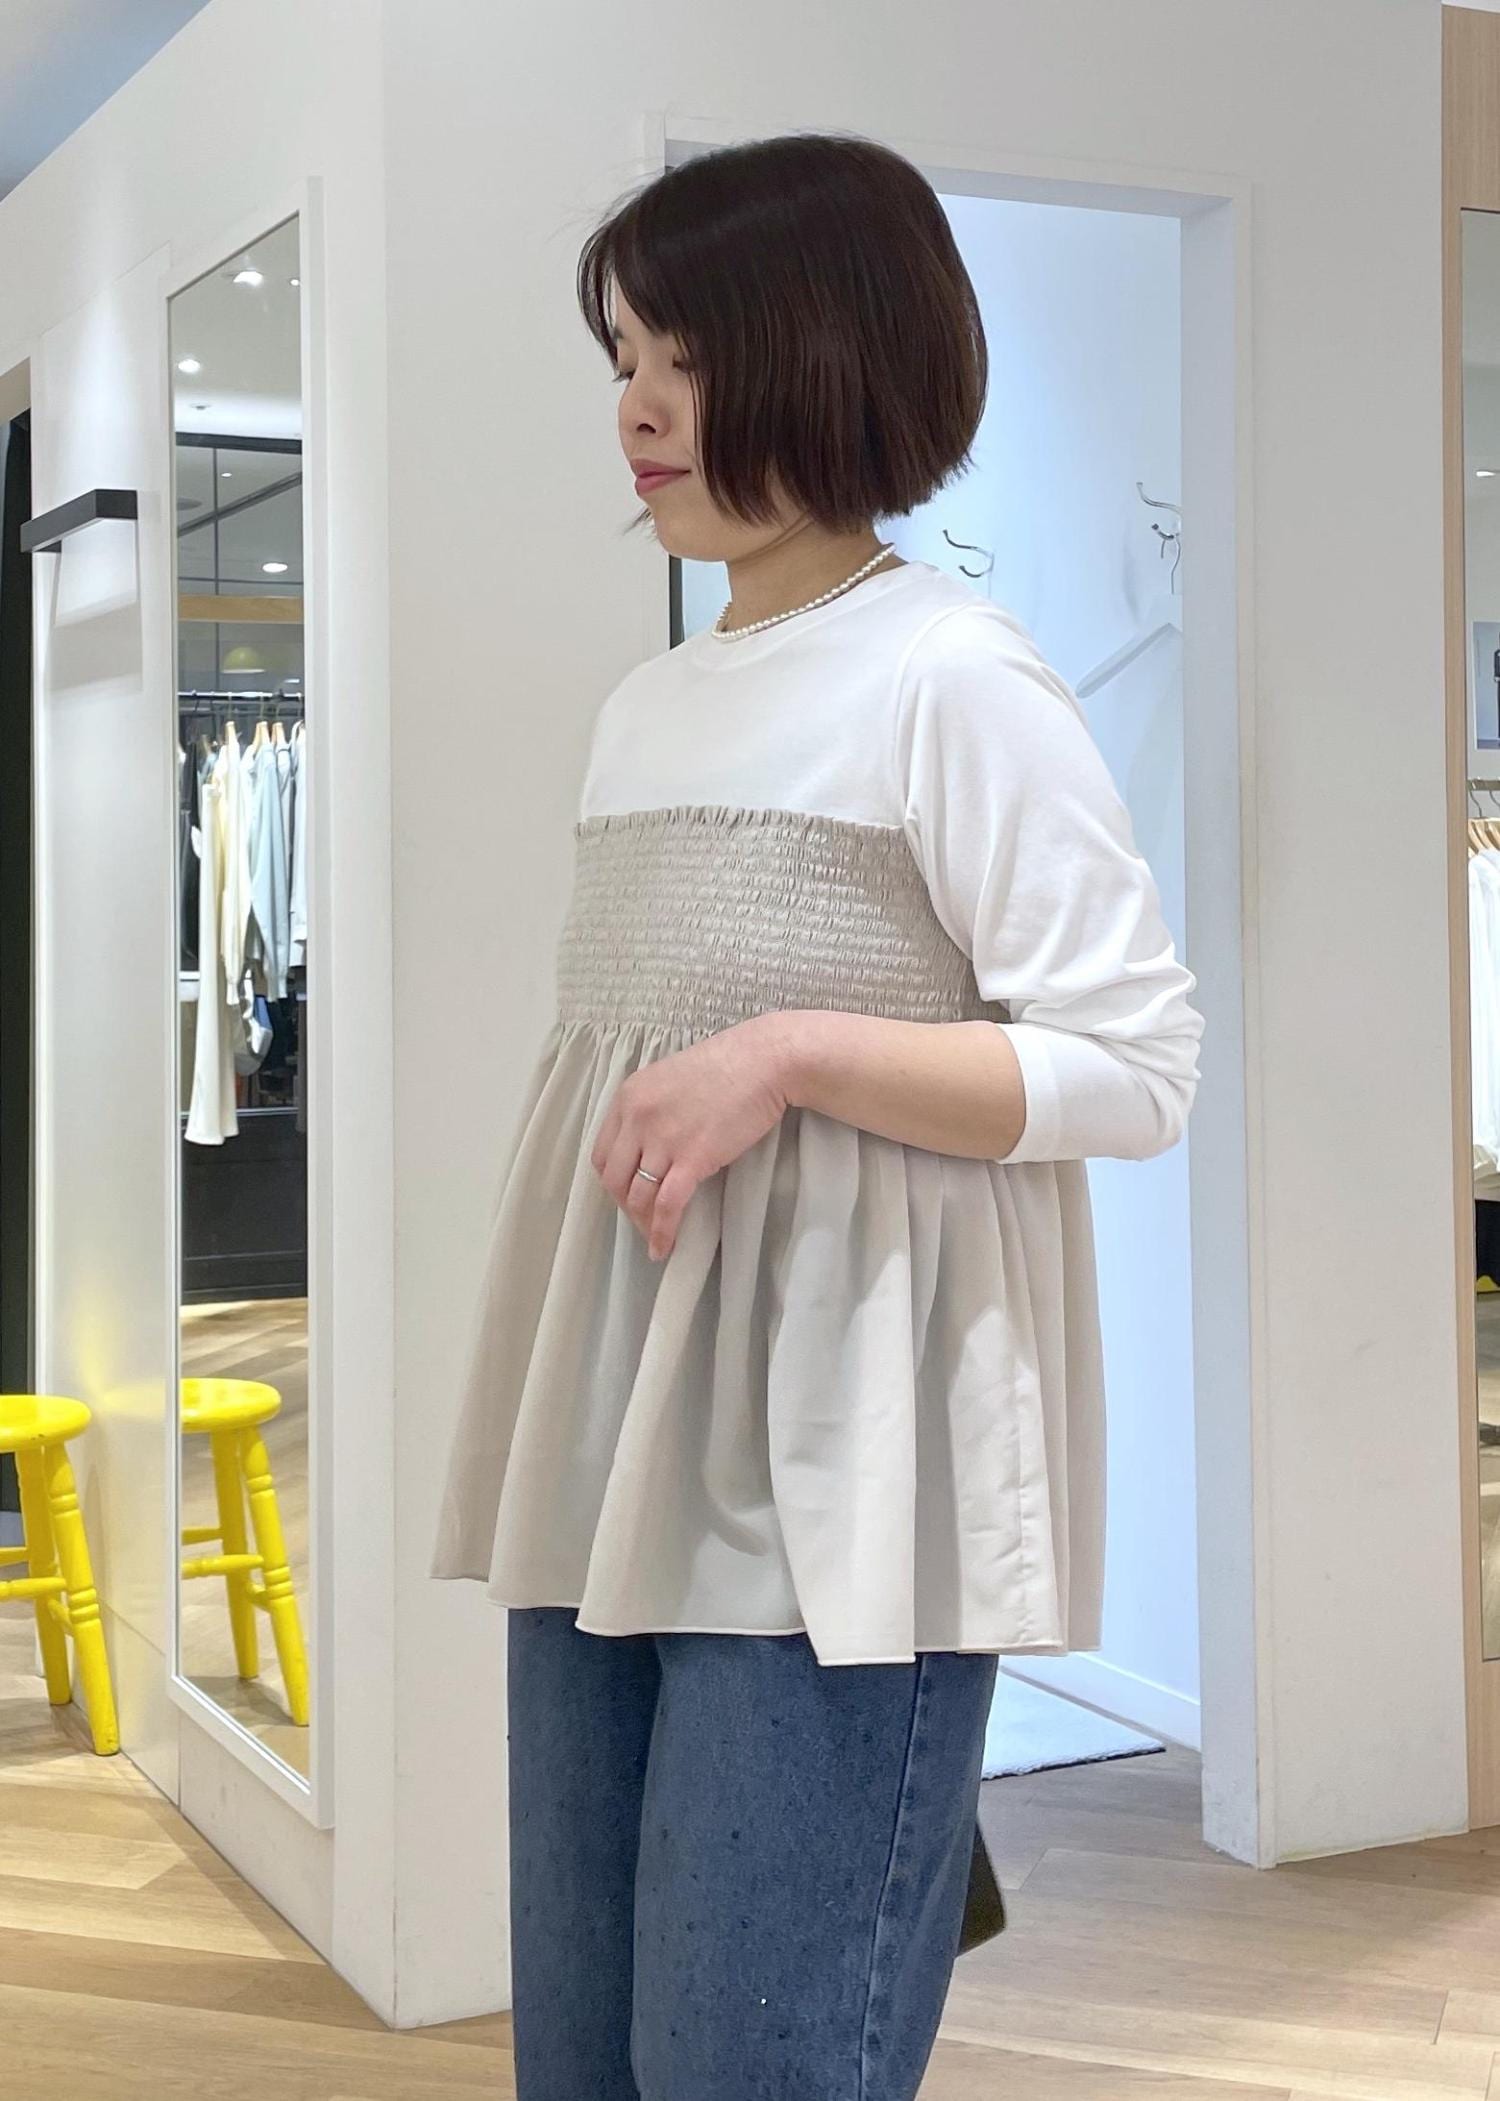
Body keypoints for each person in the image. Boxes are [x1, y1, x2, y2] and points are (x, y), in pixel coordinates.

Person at [429, 129, 1206, 2101]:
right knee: (584, 2058)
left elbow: (1135, 1065)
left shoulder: (954, 673)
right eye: (622, 355)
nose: (635, 409)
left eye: (683, 356)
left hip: (842, 1486)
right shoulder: (647, 706)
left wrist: (790, 1052)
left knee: (747, 2059)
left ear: (832, 352)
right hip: (611, 1440)